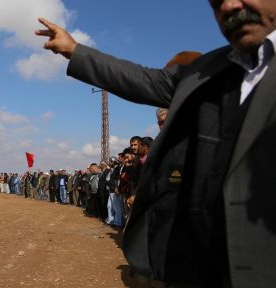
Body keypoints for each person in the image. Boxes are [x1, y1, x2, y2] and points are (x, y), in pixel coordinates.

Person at [35, 1, 276, 286]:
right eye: (215, 1)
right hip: (197, 262)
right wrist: (74, 50)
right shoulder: (208, 70)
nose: (229, 5)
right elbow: (141, 79)